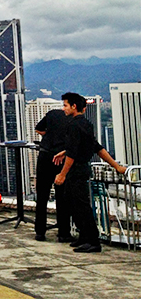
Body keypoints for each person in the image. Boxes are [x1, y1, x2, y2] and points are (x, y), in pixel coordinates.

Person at [54, 92, 127, 253]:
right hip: (82, 168)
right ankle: (85, 236)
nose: (63, 109)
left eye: (65, 105)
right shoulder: (86, 124)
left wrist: (62, 174)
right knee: (72, 202)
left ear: (74, 106)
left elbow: (74, 153)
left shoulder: (73, 125)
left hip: (76, 170)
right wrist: (116, 166)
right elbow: (96, 147)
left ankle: (93, 240)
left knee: (80, 205)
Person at [33, 109, 72, 242]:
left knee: (42, 196)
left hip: (45, 155)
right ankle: (64, 233)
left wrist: (48, 135)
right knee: (62, 197)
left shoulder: (51, 114)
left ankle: (40, 232)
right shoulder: (72, 119)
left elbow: (38, 129)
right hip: (61, 157)